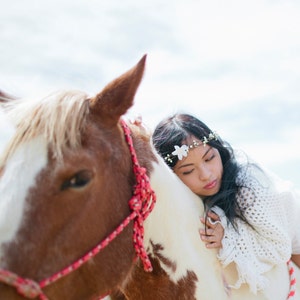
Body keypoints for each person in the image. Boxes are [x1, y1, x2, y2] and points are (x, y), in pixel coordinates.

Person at [152, 112, 300, 294]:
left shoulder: (248, 186)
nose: (206, 174)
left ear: (218, 150)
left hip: (291, 229)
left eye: (209, 158)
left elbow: (280, 245)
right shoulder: (182, 196)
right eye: (189, 170)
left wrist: (227, 237)